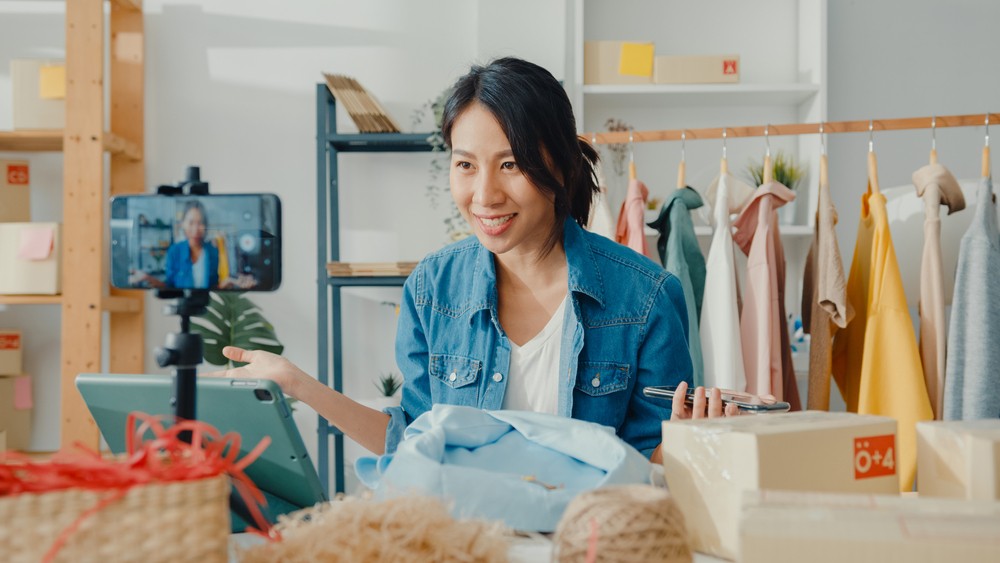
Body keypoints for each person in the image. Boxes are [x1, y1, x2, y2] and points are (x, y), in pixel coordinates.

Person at [215, 57, 734, 464]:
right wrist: (298, 384)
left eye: (510, 164)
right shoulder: (431, 288)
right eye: (465, 164)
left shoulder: (644, 298)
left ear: (558, 162)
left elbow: (649, 467)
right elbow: (412, 441)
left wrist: (693, 443)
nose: (483, 194)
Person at [131, 200, 256, 290]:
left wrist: (227, 283)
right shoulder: (174, 251)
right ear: (183, 224)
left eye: (200, 223)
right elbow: (170, 286)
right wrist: (147, 278)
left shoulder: (213, 250)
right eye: (191, 223)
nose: (195, 229)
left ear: (206, 225)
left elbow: (213, 287)